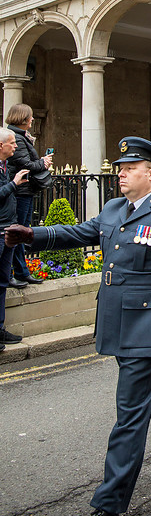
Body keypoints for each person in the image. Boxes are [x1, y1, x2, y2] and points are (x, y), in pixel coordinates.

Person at [5, 137, 151, 516]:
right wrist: (32, 233)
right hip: (117, 321)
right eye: (120, 166)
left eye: (130, 166)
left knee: (130, 413)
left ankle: (108, 506)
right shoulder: (114, 208)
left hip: (149, 327)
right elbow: (80, 232)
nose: (120, 172)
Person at [5, 103, 53, 288]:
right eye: (30, 117)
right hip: (20, 191)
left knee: (21, 232)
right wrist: (42, 162)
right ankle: (14, 273)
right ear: (23, 118)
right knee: (17, 232)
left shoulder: (20, 137)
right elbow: (26, 164)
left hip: (25, 190)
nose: (33, 120)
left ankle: (21, 272)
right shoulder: (15, 137)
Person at [0, 128, 30, 350]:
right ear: (1, 146)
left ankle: (0, 330)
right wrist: (13, 184)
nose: (16, 146)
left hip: (7, 230)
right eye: (12, 143)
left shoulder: (5, 166)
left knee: (2, 282)